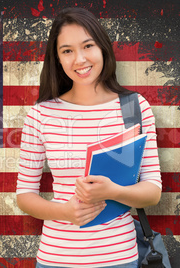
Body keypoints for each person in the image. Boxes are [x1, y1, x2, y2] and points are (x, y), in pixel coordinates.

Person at [16, 7, 162, 268]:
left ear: (103, 48)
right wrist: (64, 212)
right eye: (67, 51)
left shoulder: (134, 108)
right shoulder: (41, 114)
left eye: (88, 46)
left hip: (119, 257)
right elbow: (25, 195)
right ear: (58, 59)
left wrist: (113, 192)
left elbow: (153, 191)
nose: (80, 59)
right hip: (55, 258)